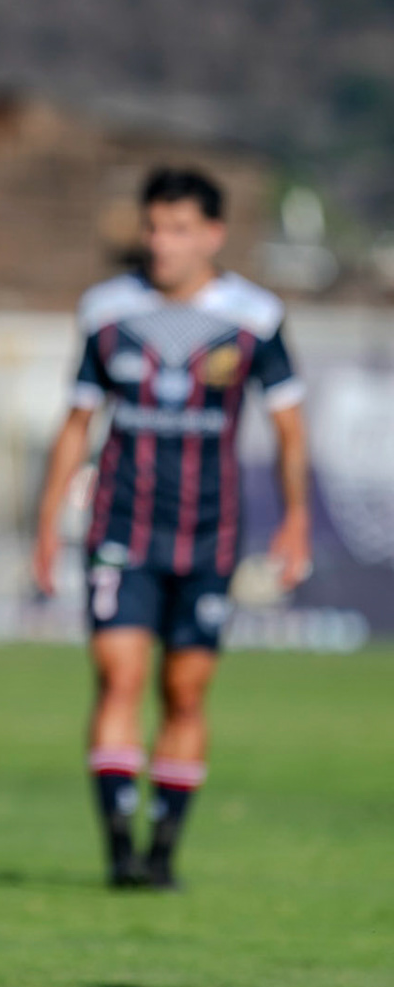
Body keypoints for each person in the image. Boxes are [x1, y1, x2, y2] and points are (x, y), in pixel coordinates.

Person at [32, 168, 309, 890]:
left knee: (185, 692)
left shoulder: (256, 317)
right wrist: (46, 523)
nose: (162, 243)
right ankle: (122, 848)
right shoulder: (106, 311)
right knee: (119, 678)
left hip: (210, 534)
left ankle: (165, 851)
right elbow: (76, 423)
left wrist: (297, 522)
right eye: (154, 227)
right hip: (121, 526)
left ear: (213, 235)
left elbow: (288, 431)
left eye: (179, 229)